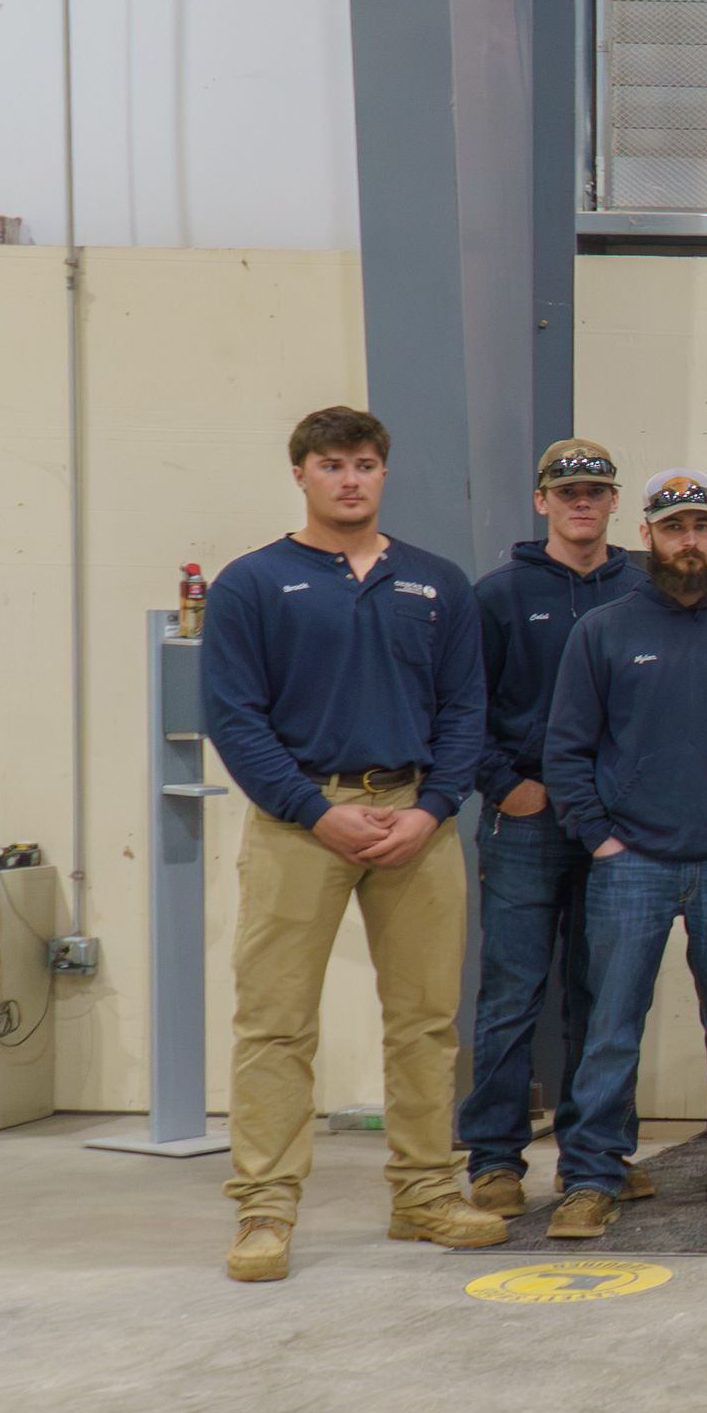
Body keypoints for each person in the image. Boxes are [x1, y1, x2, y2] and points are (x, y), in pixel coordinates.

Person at [200, 406, 508, 1280]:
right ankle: (264, 1210)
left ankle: (425, 1195)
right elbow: (235, 716)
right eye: (332, 464)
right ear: (300, 473)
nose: (350, 479)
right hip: (302, 823)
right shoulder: (252, 584)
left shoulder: (436, 583)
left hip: (416, 817)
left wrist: (434, 806)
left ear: (384, 473)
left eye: (365, 463)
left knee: (425, 1022)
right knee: (274, 1024)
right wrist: (311, 808)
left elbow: (464, 711)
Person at [535, 472, 707, 1239]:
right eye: (674, 526)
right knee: (612, 1023)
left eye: (702, 526)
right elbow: (567, 749)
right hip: (632, 867)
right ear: (649, 535)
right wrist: (601, 839)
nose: (689, 540)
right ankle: (592, 1175)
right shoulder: (606, 630)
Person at [459, 438, 639, 1217]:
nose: (581, 503)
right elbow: (463, 706)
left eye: (595, 492)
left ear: (613, 502)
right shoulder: (497, 595)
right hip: (527, 821)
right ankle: (496, 1159)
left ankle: (595, 1155)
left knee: (604, 998)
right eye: (567, 492)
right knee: (510, 994)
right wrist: (505, 785)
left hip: (619, 828)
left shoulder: (644, 590)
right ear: (542, 501)